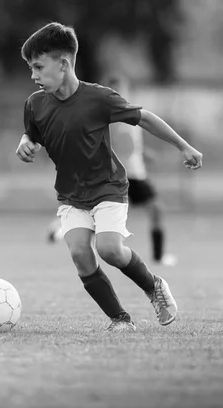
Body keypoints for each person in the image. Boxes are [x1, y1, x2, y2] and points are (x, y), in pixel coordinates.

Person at [16, 22, 203, 332]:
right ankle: (120, 320)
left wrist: (183, 146)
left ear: (63, 64)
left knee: (109, 250)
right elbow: (32, 135)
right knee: (80, 254)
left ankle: (153, 285)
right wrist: (25, 143)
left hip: (108, 188)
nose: (33, 75)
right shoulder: (34, 104)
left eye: (38, 66)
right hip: (71, 194)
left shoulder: (98, 98)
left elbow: (144, 118)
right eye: (30, 68)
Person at [47, 73, 178, 267]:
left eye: (121, 88)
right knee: (95, 214)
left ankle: (159, 256)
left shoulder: (132, 111)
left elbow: (129, 143)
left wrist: (142, 154)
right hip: (116, 174)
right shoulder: (107, 113)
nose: (118, 92)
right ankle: (59, 228)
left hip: (135, 173)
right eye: (114, 89)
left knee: (155, 210)